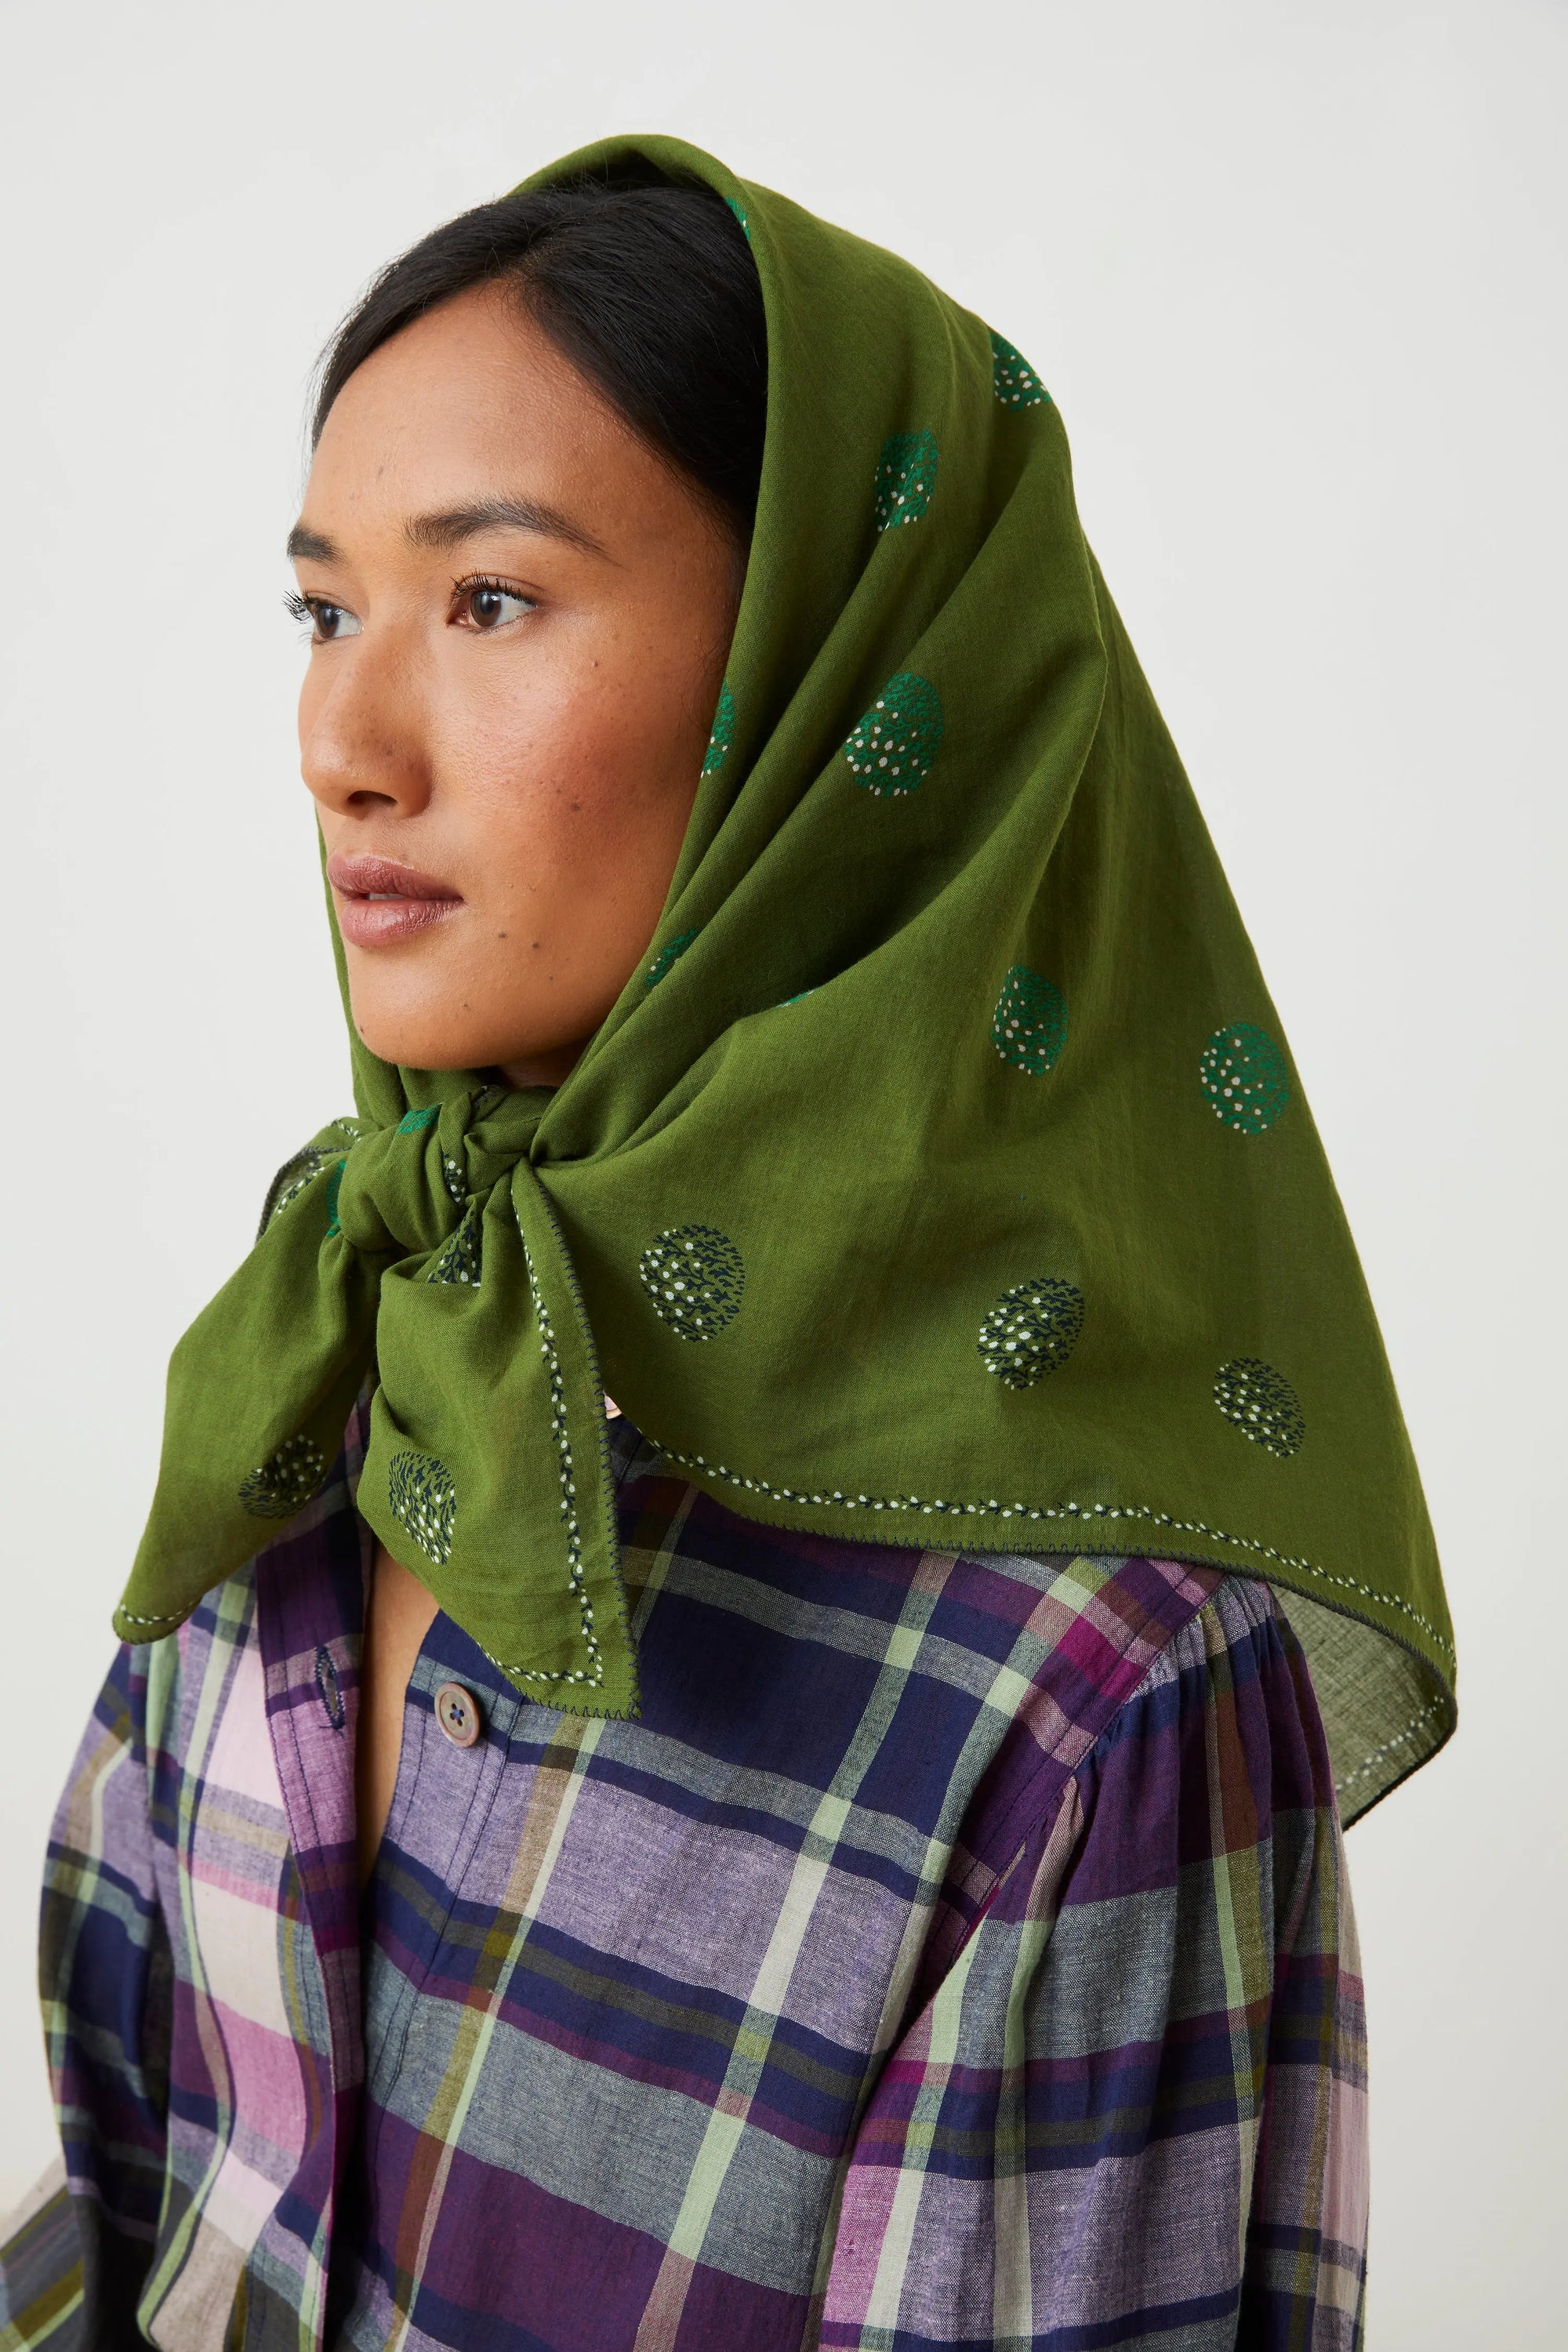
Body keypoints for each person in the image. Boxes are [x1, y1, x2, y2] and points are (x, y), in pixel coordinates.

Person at [0, 135, 1453, 2350]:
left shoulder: (1082, 1693)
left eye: (490, 599)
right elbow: (140, 2218)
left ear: (827, 690)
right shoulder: (339, 1354)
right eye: (325, 610)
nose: (339, 743)